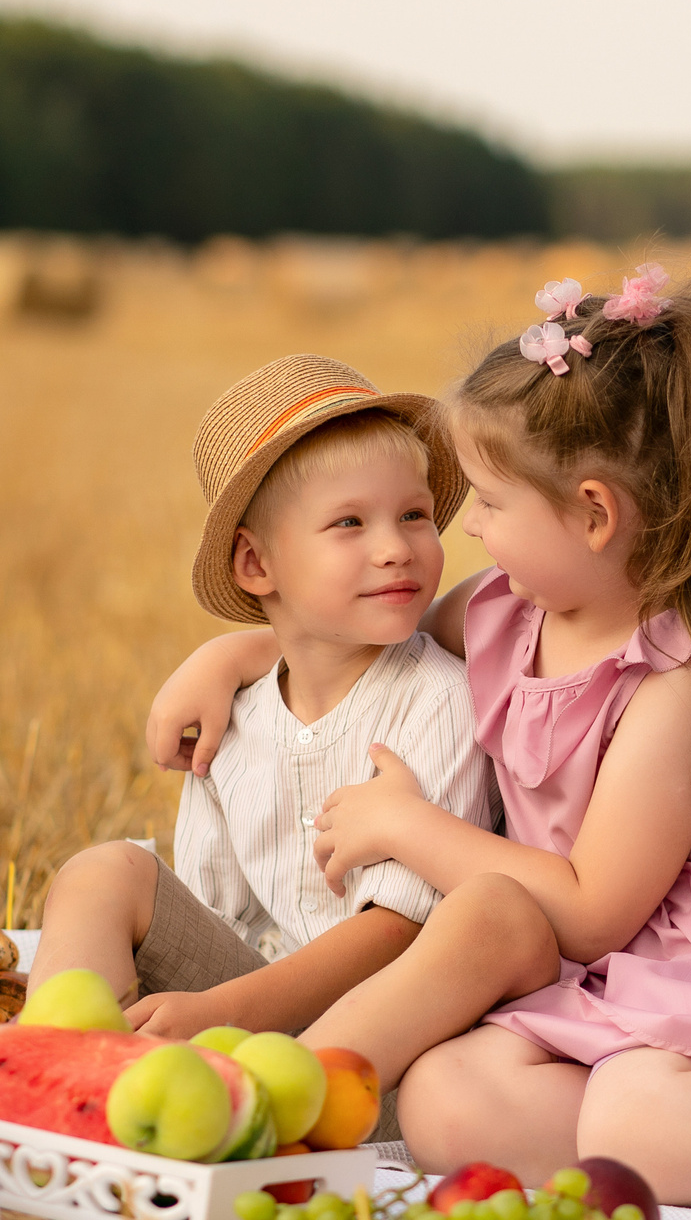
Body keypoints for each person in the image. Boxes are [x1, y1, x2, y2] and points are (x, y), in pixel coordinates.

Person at [149, 270, 691, 1205]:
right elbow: (349, 630)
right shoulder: (507, 612)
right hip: (591, 984)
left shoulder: (681, 683)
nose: (472, 535)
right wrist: (234, 654)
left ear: (593, 514)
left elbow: (596, 908)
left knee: (644, 1126)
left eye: (493, 506)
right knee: (442, 1102)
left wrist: (407, 826)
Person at [28, 355, 498, 1043]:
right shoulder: (234, 724)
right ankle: (61, 1067)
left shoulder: (438, 700)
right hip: (248, 1007)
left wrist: (228, 1014)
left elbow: (405, 930)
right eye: (350, 523)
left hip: (388, 1040)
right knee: (103, 871)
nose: (396, 547)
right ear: (256, 564)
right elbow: (218, 917)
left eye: (413, 514)